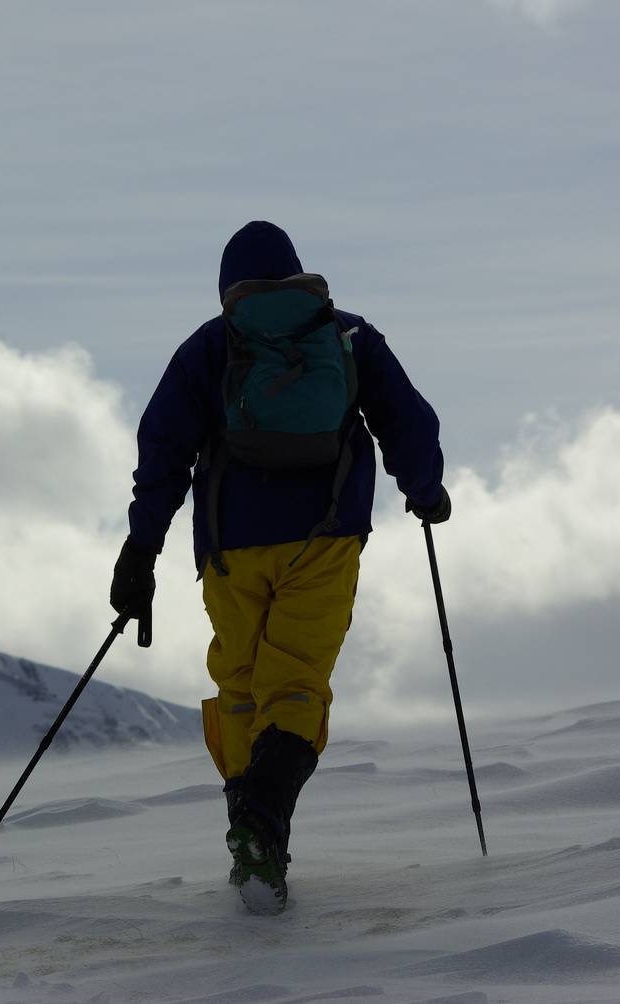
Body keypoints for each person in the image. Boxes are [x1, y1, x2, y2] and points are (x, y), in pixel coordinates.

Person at [109, 221, 450, 914]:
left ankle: (249, 821)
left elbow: (163, 454)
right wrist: (425, 488)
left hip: (231, 549)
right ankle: (263, 823)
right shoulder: (346, 334)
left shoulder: (210, 346)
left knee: (241, 682)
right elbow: (406, 420)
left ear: (228, 289)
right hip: (325, 538)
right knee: (294, 679)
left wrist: (141, 551)